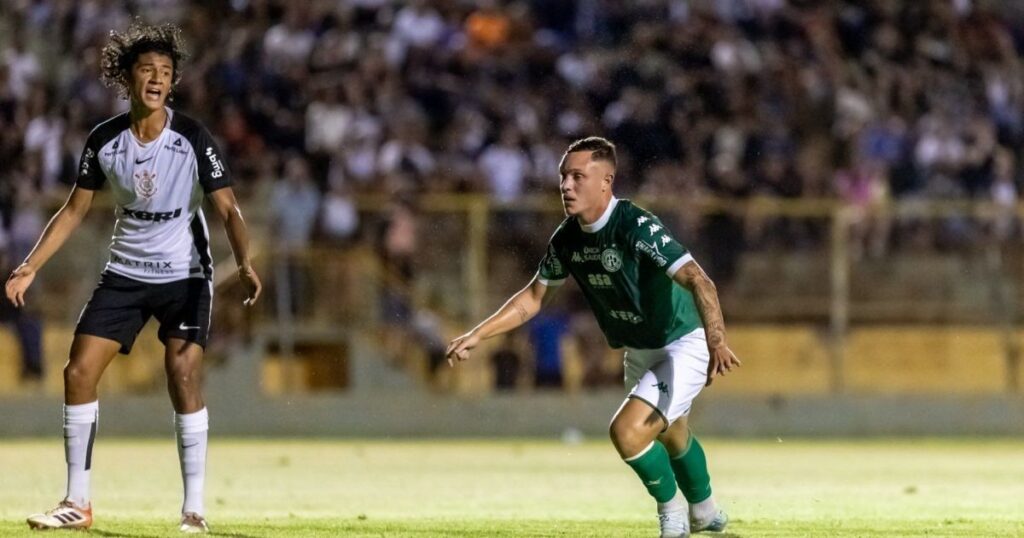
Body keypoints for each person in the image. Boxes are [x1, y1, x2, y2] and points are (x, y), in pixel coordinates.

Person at [5, 20, 261, 533]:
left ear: (173, 82)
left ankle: (194, 509)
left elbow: (229, 209)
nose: (157, 78)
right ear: (128, 78)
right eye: (147, 69)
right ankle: (77, 504)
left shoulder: (191, 137)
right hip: (125, 270)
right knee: (78, 372)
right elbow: (74, 211)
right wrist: (31, 264)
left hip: (186, 274)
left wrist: (245, 261)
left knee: (183, 374)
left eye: (165, 71)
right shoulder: (104, 140)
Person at [446, 137, 740, 538]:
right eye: (563, 176)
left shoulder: (635, 225)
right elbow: (534, 297)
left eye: (577, 176)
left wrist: (716, 340)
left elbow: (698, 280)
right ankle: (705, 511)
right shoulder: (567, 238)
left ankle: (673, 515)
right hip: (639, 349)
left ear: (606, 181)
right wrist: (479, 334)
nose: (566, 185)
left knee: (627, 432)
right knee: (672, 433)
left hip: (681, 342)